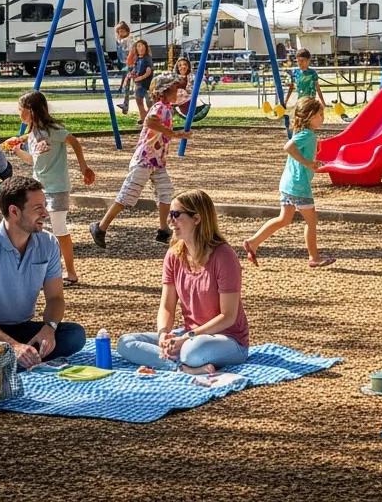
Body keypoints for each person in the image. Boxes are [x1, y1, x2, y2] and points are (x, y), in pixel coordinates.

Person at [0, 175, 87, 368]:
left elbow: (55, 298)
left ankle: (12, 359)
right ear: (14, 211)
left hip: (18, 327)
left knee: (74, 335)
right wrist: (13, 345)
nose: (46, 214)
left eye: (45, 206)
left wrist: (49, 328)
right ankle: (9, 357)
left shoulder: (48, 243)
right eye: (38, 208)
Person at [117, 189, 250, 373]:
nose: (170, 221)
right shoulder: (174, 255)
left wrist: (188, 337)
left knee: (190, 352)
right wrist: (163, 334)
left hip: (227, 340)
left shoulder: (224, 256)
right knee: (125, 343)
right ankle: (184, 368)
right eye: (170, 215)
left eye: (175, 215)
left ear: (197, 219)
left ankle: (182, 363)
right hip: (189, 336)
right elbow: (167, 307)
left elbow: (228, 316)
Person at [90, 73, 189, 248]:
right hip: (145, 159)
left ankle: (164, 230)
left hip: (157, 161)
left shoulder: (166, 108)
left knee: (165, 191)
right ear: (164, 92)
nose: (177, 91)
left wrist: (176, 134)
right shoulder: (159, 107)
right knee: (128, 194)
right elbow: (149, 122)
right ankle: (100, 227)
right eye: (174, 89)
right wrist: (172, 133)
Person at [10, 91, 94, 286]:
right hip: (40, 190)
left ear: (30, 110)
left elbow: (74, 141)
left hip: (57, 189)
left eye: (20, 109)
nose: (18, 113)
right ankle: (43, 272)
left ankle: (70, 273)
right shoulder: (32, 134)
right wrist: (17, 151)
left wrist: (83, 167)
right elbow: (34, 161)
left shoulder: (53, 130)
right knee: (39, 231)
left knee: (58, 229)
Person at [241, 97, 335, 268]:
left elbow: (298, 148)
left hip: (288, 184)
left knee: (284, 219)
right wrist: (307, 163)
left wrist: (314, 153)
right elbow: (288, 147)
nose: (323, 117)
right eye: (320, 114)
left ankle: (253, 242)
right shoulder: (307, 134)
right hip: (299, 187)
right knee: (312, 221)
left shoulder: (302, 133)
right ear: (310, 116)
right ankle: (314, 258)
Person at [124, 38, 154, 121]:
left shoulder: (147, 58)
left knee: (149, 103)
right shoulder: (138, 58)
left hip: (146, 85)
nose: (141, 48)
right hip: (138, 85)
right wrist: (131, 74)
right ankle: (143, 117)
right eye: (139, 46)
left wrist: (141, 77)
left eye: (142, 46)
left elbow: (149, 71)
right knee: (139, 102)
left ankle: (149, 118)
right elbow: (135, 69)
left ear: (145, 48)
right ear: (136, 48)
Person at [114, 21, 134, 112]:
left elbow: (131, 52)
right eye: (119, 31)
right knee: (126, 84)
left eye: (122, 31)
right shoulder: (120, 41)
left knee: (137, 85)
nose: (120, 33)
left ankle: (126, 105)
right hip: (126, 64)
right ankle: (125, 105)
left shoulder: (128, 40)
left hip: (131, 65)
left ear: (127, 31)